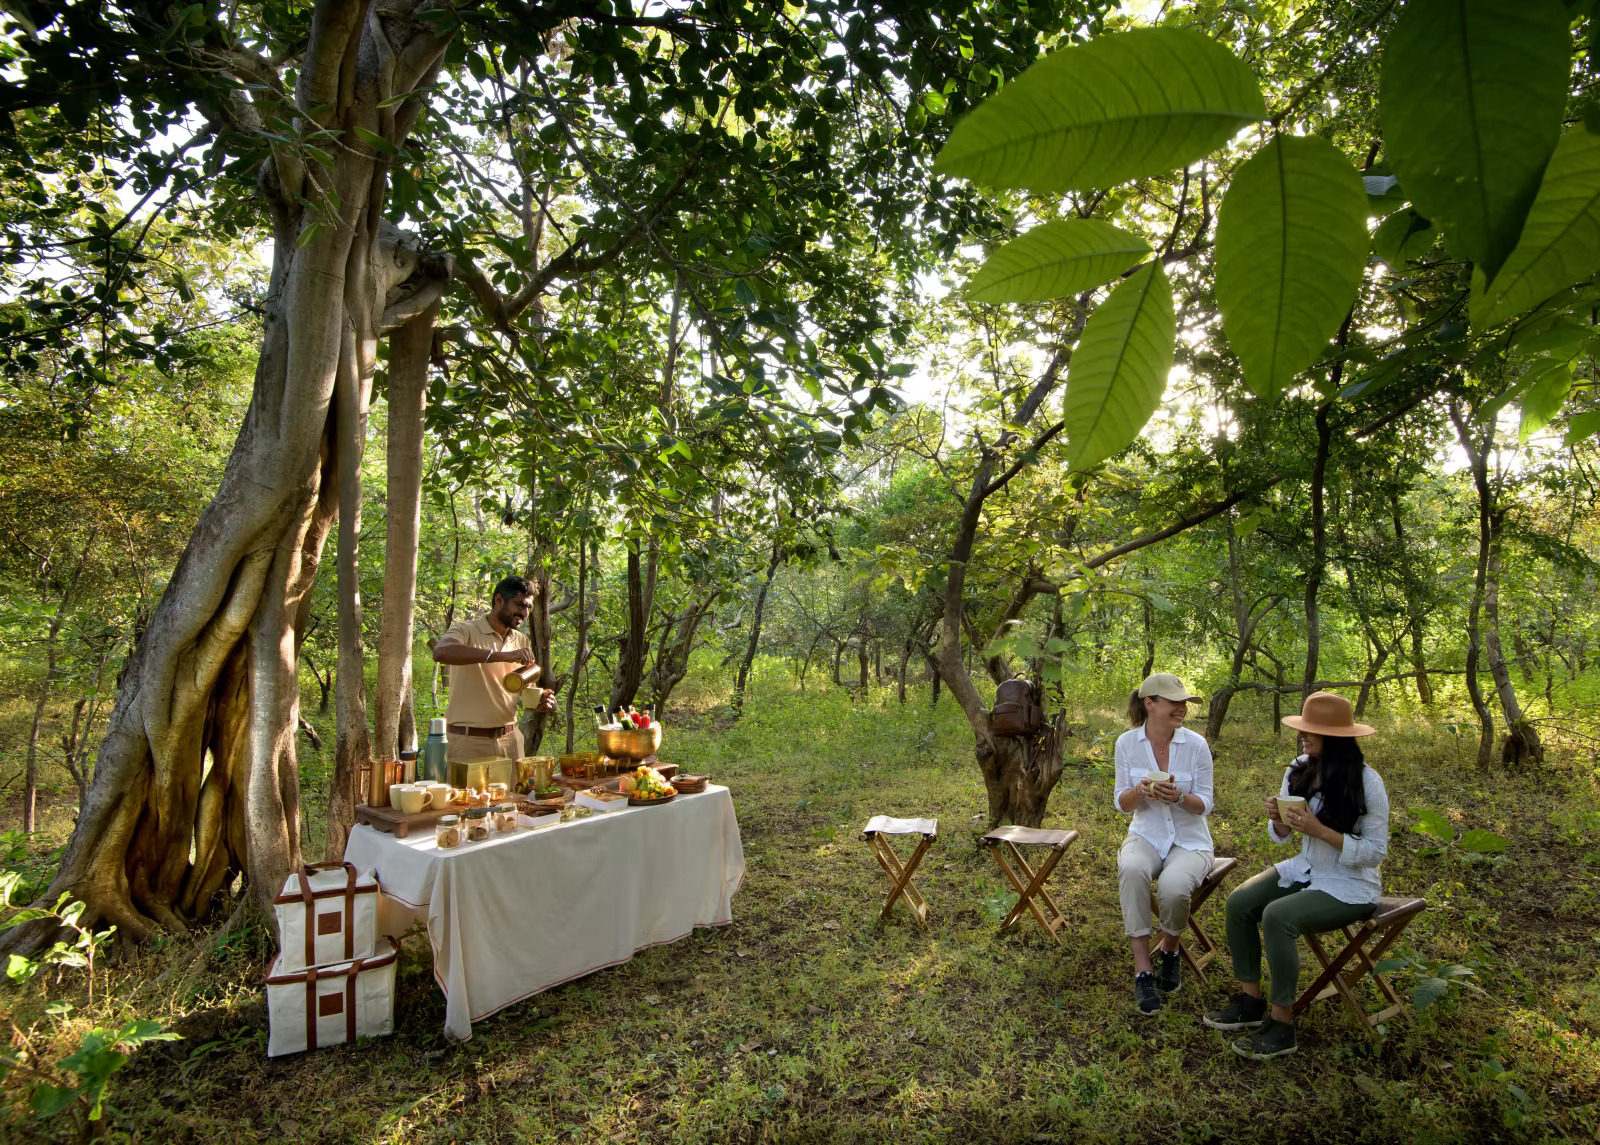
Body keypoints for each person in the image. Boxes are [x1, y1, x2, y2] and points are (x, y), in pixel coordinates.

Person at [1203, 691, 1389, 1060]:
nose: (1304, 736)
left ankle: (1282, 1023)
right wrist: (1279, 820)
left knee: (1278, 915)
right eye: (1304, 730)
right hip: (1305, 869)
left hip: (1350, 884)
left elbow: (1374, 852)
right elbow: (1283, 836)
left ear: (1335, 737)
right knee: (1240, 902)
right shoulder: (1300, 766)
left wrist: (1320, 830)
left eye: (1312, 732)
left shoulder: (1368, 782)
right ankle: (1250, 1002)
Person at [1113, 672, 1214, 1016]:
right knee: (1132, 868)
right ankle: (1143, 969)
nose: (1182, 708)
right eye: (1174, 702)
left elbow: (1206, 803)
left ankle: (1170, 949)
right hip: (1145, 834)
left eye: (1184, 702)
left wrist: (1180, 797)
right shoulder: (1126, 743)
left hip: (1190, 840)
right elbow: (1122, 803)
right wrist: (1138, 791)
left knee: (1172, 888)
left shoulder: (1196, 745)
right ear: (1150, 704)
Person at [431, 575, 558, 767]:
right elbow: (442, 652)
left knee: (517, 797)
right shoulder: (466, 630)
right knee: (467, 798)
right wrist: (500, 655)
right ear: (499, 600)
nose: (524, 613)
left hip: (510, 741)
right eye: (519, 605)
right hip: (468, 742)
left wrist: (538, 702)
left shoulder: (520, 640)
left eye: (529, 607)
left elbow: (524, 690)